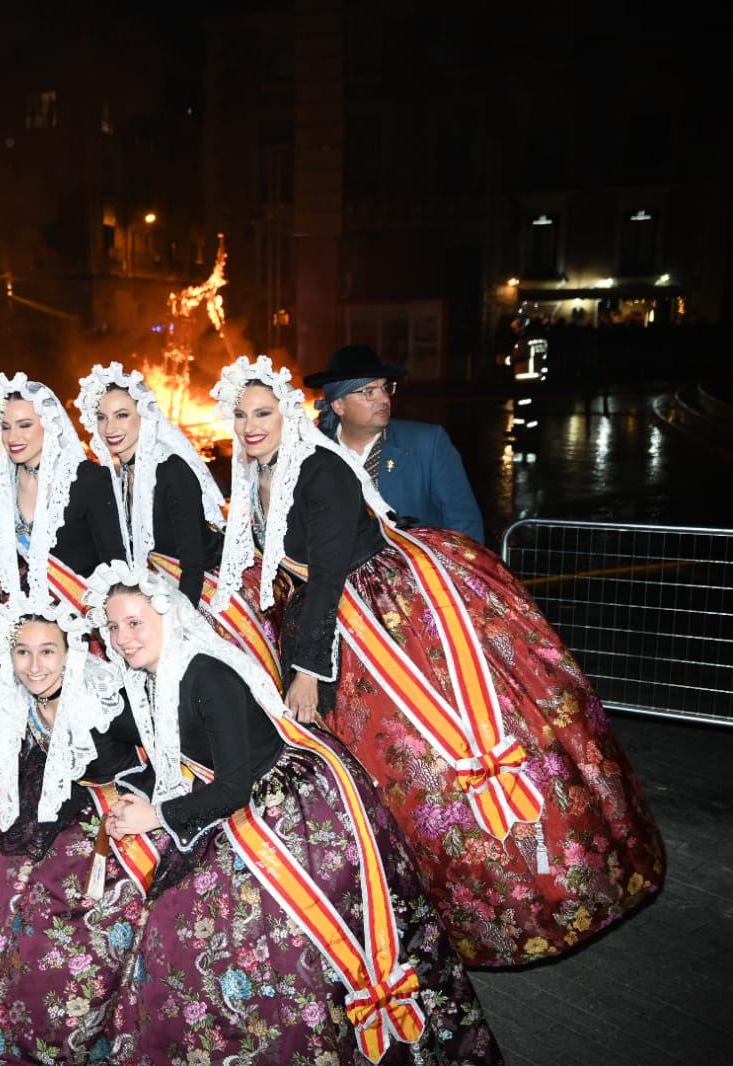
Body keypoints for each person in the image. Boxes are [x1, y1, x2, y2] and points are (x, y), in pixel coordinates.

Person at [208, 355, 665, 967]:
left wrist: (308, 672)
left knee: (431, 759)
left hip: (382, 615)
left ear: (289, 413)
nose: (248, 424)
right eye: (239, 415)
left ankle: (529, 895)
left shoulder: (318, 471)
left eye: (261, 412)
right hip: (324, 615)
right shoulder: (257, 471)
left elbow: (329, 579)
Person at [85, 561, 499, 1063]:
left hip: (291, 803)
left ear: (168, 616)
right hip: (235, 796)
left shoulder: (205, 675)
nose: (123, 637)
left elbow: (235, 785)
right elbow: (133, 750)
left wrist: (155, 815)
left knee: (282, 934)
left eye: (134, 623)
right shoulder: (148, 677)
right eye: (112, 626)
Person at [0, 596, 142, 1065]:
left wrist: (141, 802)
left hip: (105, 830)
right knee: (3, 910)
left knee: (56, 931)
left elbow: (162, 751)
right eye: (23, 652)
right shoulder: (17, 697)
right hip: (41, 824)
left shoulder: (104, 699)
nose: (34, 666)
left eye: (48, 651)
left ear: (71, 652)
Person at [74, 361, 225, 602]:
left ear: (144, 417)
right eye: (102, 417)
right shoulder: (117, 477)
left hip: (204, 592)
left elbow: (193, 568)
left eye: (121, 415)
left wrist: (179, 626)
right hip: (156, 593)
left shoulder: (171, 471)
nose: (110, 428)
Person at [307, 344, 485, 543]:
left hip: (419, 572)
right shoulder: (312, 454)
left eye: (384, 388)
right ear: (339, 405)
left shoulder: (428, 445)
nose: (384, 398)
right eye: (368, 392)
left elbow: (465, 526)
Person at [0, 373, 125, 613]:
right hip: (26, 616)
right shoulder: (5, 481)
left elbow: (116, 564)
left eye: (25, 425)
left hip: (83, 616)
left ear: (49, 425)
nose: (12, 438)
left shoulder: (89, 478)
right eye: (6, 427)